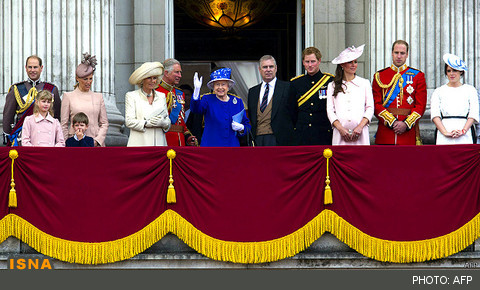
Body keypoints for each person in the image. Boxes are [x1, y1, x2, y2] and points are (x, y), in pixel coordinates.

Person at [372, 40, 427, 145]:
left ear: (407, 55)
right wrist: (392, 122)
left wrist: (406, 124)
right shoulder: (379, 76)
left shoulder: (418, 76)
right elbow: (376, 104)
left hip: (408, 133)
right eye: (396, 53)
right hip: (386, 132)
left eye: (402, 53)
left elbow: (420, 105)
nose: (399, 56)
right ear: (392, 53)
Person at [3, 55, 61, 146]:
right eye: (30, 67)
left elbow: (57, 115)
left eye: (35, 67)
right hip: (22, 136)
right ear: (26, 68)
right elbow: (8, 114)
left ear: (41, 68)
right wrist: (7, 135)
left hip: (46, 135)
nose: (32, 70)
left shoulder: (52, 89)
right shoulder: (17, 89)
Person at [190, 67, 251, 147]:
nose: (220, 87)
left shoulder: (237, 101)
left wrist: (241, 128)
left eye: (223, 84)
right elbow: (195, 109)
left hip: (232, 147)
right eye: (217, 84)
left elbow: (247, 125)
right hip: (211, 147)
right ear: (213, 87)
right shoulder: (207, 99)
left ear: (228, 87)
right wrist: (196, 91)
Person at [327, 45, 374, 145]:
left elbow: (370, 108)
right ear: (342, 65)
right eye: (350, 62)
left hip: (361, 134)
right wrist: (340, 129)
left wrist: (360, 127)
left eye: (355, 62)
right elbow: (330, 110)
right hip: (340, 134)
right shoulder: (332, 85)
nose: (353, 65)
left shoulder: (364, 83)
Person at [288, 47, 334, 145]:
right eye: (307, 62)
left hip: (323, 133)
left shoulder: (330, 81)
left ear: (319, 61)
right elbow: (292, 110)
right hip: (302, 134)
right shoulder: (295, 83)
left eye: (313, 61)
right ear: (303, 62)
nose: (310, 65)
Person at [61, 53, 109, 147]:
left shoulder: (98, 97)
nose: (88, 82)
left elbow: (104, 123)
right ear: (77, 78)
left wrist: (97, 141)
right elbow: (64, 124)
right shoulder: (68, 96)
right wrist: (66, 143)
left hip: (95, 143)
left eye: (90, 79)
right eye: (85, 79)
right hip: (74, 144)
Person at [430, 54, 478, 145]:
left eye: (455, 70)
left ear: (461, 71)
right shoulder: (438, 91)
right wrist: (445, 132)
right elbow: (435, 115)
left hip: (465, 134)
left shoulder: (470, 90)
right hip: (444, 134)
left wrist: (463, 131)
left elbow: (473, 113)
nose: (452, 73)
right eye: (449, 71)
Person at [247, 55, 294, 146]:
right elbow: (252, 118)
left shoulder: (287, 88)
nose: (268, 70)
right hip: (257, 140)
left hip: (280, 140)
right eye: (265, 67)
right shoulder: (253, 91)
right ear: (259, 70)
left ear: (276, 68)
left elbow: (293, 114)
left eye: (271, 67)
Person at [125, 62, 171, 146]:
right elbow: (129, 121)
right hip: (140, 144)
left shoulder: (161, 96)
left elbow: (167, 120)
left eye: (154, 78)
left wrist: (163, 123)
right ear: (142, 80)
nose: (152, 81)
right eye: (149, 78)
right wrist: (146, 123)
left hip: (159, 144)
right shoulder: (132, 96)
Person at [155, 58, 196, 146]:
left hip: (180, 140)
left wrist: (187, 136)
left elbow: (181, 121)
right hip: (163, 138)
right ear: (166, 73)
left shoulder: (180, 93)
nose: (180, 75)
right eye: (177, 72)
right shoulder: (155, 91)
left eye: (180, 72)